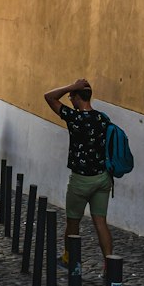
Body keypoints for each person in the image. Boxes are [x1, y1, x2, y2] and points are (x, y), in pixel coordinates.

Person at [43, 77, 113, 268]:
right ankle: (109, 264)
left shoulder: (74, 118)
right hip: (103, 178)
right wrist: (75, 89)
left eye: (71, 97)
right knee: (101, 221)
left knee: (73, 222)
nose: (70, 100)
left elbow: (48, 97)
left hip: (81, 180)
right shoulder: (103, 119)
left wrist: (70, 86)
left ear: (76, 97)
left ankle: (70, 259)